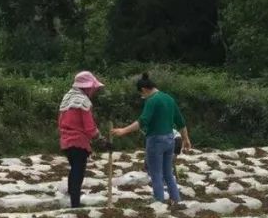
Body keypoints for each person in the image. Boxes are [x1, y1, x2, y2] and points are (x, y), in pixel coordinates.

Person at [112, 73, 192, 205]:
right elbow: (180, 121)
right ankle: (176, 199)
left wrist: (123, 130)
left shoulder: (152, 100)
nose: (142, 97)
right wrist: (186, 139)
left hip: (156, 140)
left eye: (141, 94)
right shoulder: (168, 98)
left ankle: (159, 201)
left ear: (144, 90)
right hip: (170, 139)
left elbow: (142, 121)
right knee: (168, 172)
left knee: (155, 172)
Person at [58, 71, 104, 208]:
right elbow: (90, 128)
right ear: (87, 87)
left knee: (73, 170)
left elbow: (60, 122)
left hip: (66, 141)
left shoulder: (67, 99)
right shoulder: (83, 102)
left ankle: (72, 197)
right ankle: (75, 205)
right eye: (92, 88)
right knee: (78, 173)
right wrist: (102, 140)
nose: (93, 91)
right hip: (79, 142)